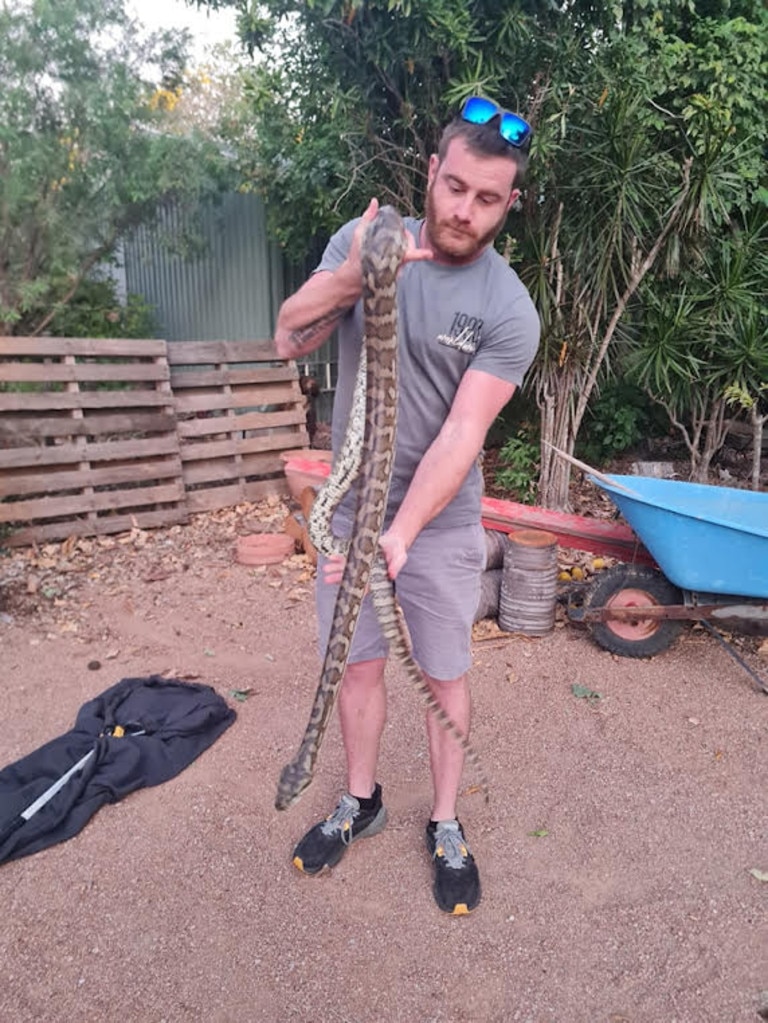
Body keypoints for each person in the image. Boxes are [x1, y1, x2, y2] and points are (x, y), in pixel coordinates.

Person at [273, 96, 540, 915]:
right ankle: (360, 797)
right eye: (454, 186)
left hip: (442, 523)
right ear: (432, 170)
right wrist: (358, 273)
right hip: (348, 511)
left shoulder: (509, 310)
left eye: (486, 198)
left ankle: (447, 820)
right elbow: (289, 336)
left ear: (510, 204)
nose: (463, 210)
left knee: (443, 673)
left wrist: (402, 532)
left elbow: (463, 434)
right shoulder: (368, 238)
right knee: (354, 664)